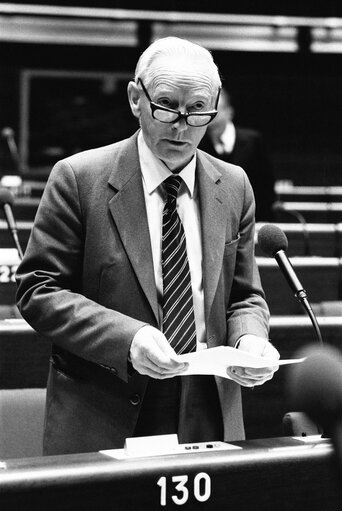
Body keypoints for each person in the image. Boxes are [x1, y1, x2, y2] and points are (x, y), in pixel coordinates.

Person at [16, 37, 279, 456]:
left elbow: (245, 296)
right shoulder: (78, 178)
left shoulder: (234, 184)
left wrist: (249, 339)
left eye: (197, 110)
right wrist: (129, 338)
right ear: (136, 98)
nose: (181, 124)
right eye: (166, 104)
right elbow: (38, 290)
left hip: (206, 406)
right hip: (106, 406)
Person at [200, 87, 276, 221]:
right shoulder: (199, 144)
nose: (210, 116)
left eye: (215, 110)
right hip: (214, 222)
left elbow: (266, 188)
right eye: (205, 110)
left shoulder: (253, 142)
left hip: (251, 220)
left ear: (229, 112)